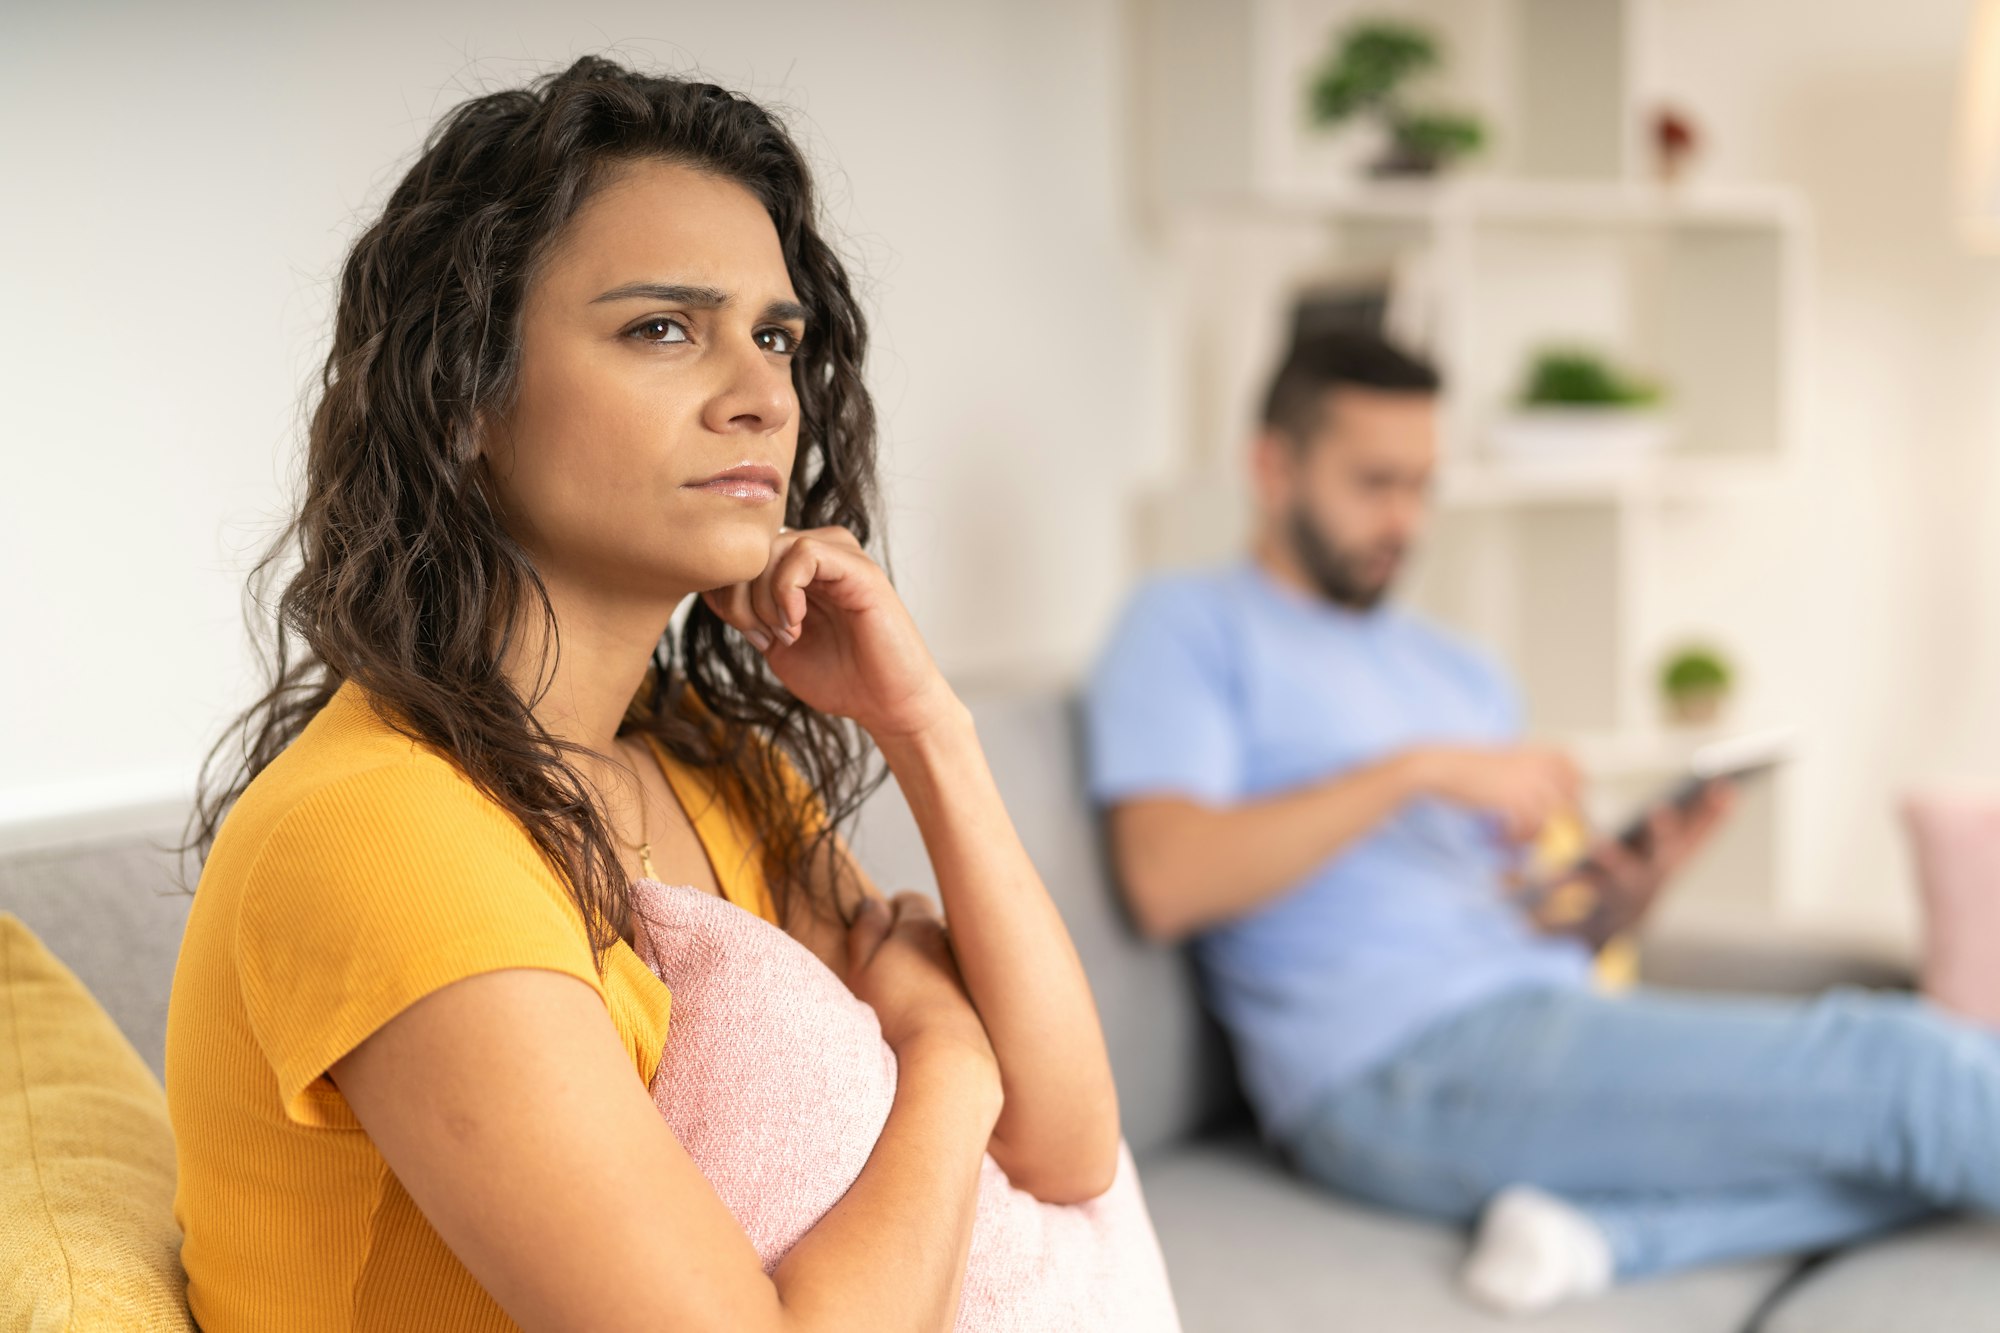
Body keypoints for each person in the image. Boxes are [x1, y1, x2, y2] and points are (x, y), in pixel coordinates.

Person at [166, 56, 1121, 1333]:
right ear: (464, 399)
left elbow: (1068, 1150)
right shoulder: (384, 834)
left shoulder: (707, 768)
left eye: (774, 336)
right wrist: (944, 1063)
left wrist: (923, 727)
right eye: (661, 328)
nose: (763, 395)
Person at [1084, 331, 2000, 1313]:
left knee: (1908, 1131)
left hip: (1545, 1022)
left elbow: (1538, 923)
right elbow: (1163, 879)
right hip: (1391, 1068)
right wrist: (1411, 770)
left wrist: (1623, 893)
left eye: (1422, 486)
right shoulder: (1185, 627)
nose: (1403, 518)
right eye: (1372, 483)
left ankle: (1606, 1239)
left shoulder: (1458, 669)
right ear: (1272, 466)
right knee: (1903, 1064)